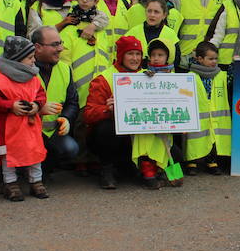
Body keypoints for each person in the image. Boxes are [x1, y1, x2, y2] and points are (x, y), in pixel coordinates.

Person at [0, 36, 49, 202]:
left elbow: (41, 94)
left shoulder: (33, 77)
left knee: (34, 153)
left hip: (29, 127)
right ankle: (10, 184)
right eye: (30, 58)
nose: (34, 61)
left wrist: (36, 106)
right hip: (7, 128)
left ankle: (36, 182)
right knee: (8, 156)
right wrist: (11, 105)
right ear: (17, 60)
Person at [84, 36, 144, 189]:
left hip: (136, 135)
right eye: (130, 54)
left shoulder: (147, 76)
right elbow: (89, 114)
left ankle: (142, 166)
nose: (135, 58)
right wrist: (107, 110)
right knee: (106, 128)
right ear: (121, 55)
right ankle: (107, 168)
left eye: (138, 54)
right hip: (113, 135)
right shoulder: (104, 79)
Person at [134, 39, 184, 189]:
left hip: (165, 120)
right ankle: (149, 175)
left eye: (160, 55)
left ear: (167, 57)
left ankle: (162, 171)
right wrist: (145, 76)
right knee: (147, 148)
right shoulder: (143, 74)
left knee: (166, 147)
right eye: (153, 54)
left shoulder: (173, 76)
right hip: (147, 120)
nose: (156, 58)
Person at [32, 26, 80, 172]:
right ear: (37, 47)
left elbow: (72, 102)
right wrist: (38, 109)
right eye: (54, 44)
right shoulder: (25, 69)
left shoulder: (65, 69)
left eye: (60, 43)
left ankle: (46, 168)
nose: (60, 48)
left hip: (52, 132)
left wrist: (66, 118)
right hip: (27, 132)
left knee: (71, 149)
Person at [60, 0, 111, 106]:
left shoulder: (101, 30)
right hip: (78, 91)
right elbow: (64, 62)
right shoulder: (70, 29)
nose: (84, 0)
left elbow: (107, 58)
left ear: (96, 1)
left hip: (100, 91)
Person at [186, 42, 230, 176]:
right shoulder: (190, 76)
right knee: (193, 139)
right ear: (199, 59)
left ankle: (212, 161)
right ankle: (191, 162)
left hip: (214, 115)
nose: (214, 61)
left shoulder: (221, 75)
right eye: (210, 59)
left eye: (216, 58)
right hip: (197, 114)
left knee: (214, 138)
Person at [124, 0, 179, 65]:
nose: (152, 15)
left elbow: (176, 61)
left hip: (164, 74)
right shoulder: (133, 32)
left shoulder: (171, 34)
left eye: (156, 12)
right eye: (149, 11)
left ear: (164, 15)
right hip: (137, 74)